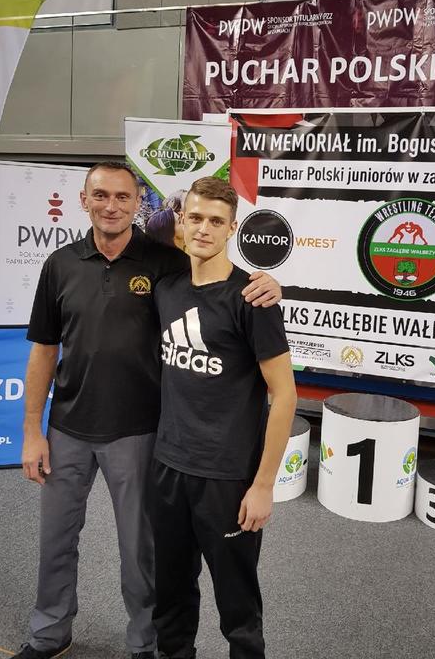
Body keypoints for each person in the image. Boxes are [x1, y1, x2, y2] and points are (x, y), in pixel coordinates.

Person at [17, 162, 281, 659]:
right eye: (100, 195)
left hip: (140, 433)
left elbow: (220, 281)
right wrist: (33, 429)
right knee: (55, 541)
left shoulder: (166, 263)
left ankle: (145, 644)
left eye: (123, 196)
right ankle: (49, 633)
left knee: (144, 554)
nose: (111, 205)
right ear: (84, 200)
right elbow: (44, 350)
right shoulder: (60, 264)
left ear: (139, 204)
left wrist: (272, 285)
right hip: (69, 427)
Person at [152, 176, 297, 659]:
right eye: (195, 218)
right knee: (171, 592)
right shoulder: (167, 288)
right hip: (169, 466)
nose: (204, 229)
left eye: (216, 221)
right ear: (180, 221)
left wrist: (264, 485)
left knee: (237, 604)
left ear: (232, 229)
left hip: (227, 478)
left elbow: (285, 395)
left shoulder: (253, 299)